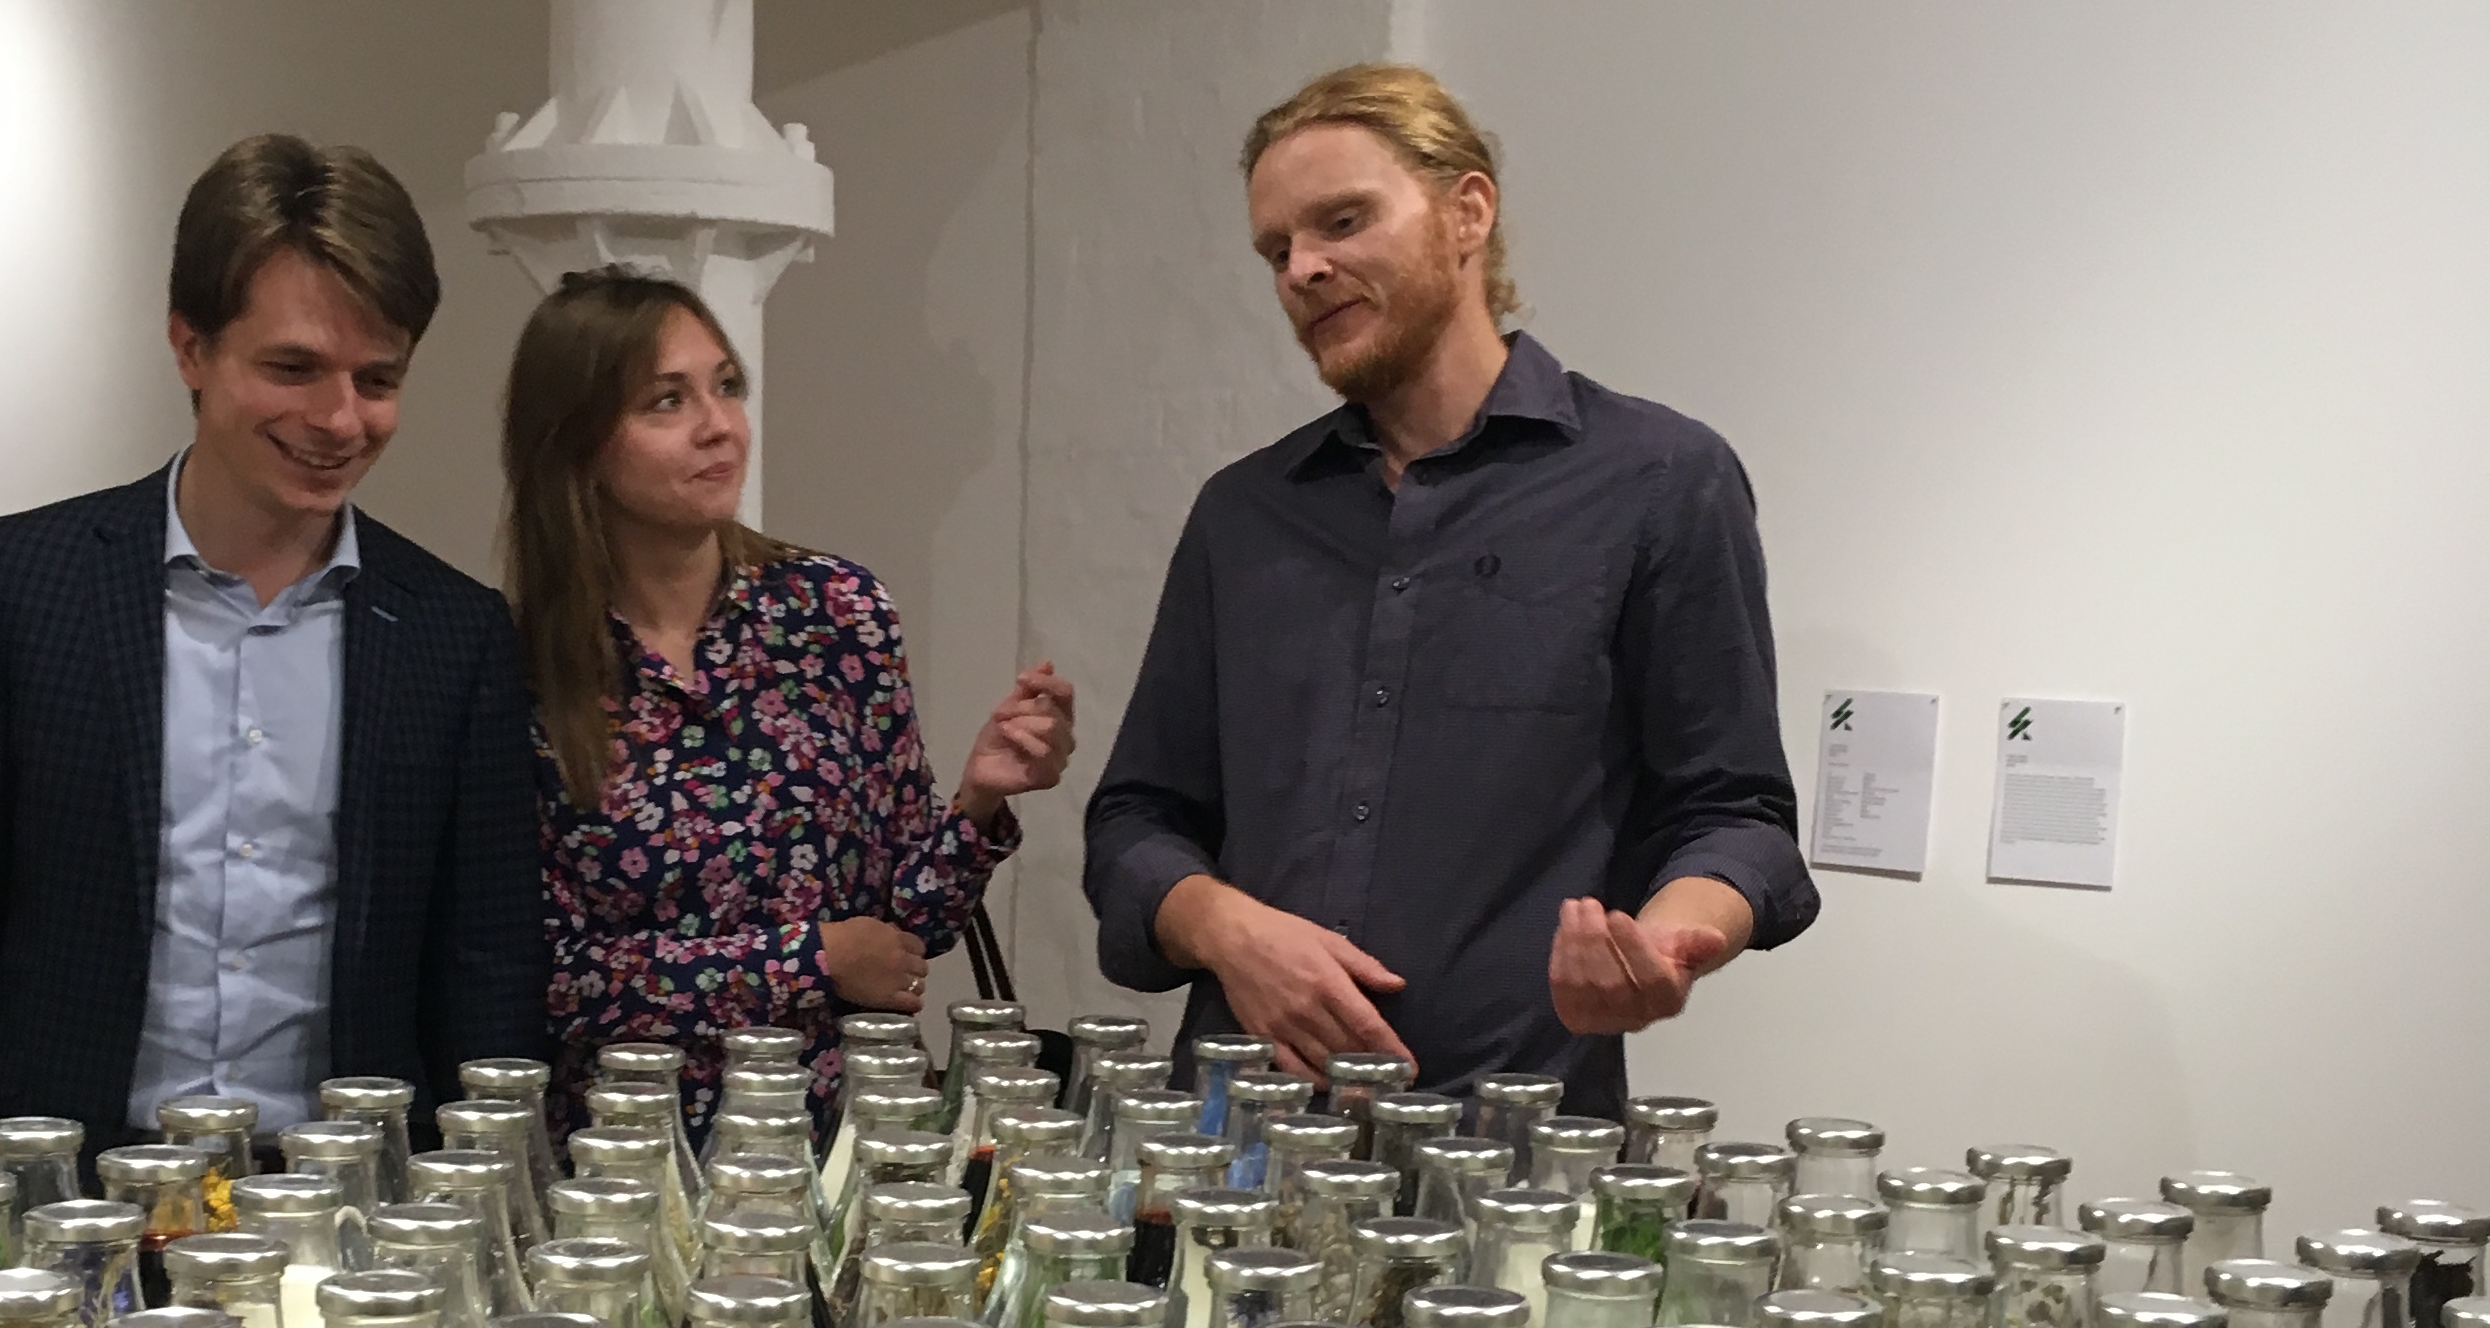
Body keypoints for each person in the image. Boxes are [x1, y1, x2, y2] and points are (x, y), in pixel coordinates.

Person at [1083, 65, 1815, 1106]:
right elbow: (1136, 818)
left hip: (1508, 1141)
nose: (1304, 269)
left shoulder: (1659, 480)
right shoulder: (1244, 515)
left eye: (1343, 221)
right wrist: (1224, 928)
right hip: (1242, 1133)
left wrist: (1663, 943)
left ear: (1467, 212)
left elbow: (1736, 812)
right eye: (1277, 250)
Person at [0, 134, 544, 1179]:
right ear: (190, 346)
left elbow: (485, 973)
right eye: (292, 368)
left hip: (336, 1191)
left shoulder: (452, 633)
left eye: (377, 378)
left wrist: (485, 1202)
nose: (339, 419)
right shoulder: (18, 587)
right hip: (65, 1180)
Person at [503, 267, 1072, 1138]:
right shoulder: (524, 668)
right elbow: (548, 975)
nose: (719, 425)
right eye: (667, 401)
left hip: (848, 1141)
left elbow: (905, 935)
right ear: (576, 442)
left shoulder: (835, 610)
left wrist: (979, 801)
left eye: (726, 386)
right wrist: (806, 959)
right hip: (635, 1159)